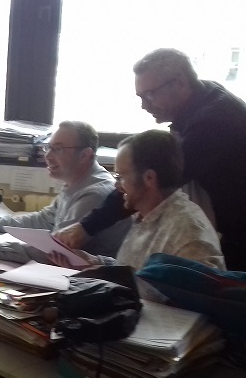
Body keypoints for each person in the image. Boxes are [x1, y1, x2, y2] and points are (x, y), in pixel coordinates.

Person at [55, 48, 246, 270]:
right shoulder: (201, 98)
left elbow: (149, 179)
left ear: (181, 82)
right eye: (141, 97)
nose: (144, 105)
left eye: (150, 95)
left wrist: (87, 227)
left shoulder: (215, 121)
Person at [0, 121, 130, 264]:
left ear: (85, 155)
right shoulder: (77, 182)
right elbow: (43, 220)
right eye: (48, 147)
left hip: (91, 282)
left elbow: (56, 251)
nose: (48, 156)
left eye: (58, 149)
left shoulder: (94, 193)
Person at [51, 130, 224, 271]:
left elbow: (195, 301)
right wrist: (92, 262)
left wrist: (102, 275)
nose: (116, 186)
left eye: (121, 177)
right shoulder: (145, 215)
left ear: (149, 178)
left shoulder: (189, 233)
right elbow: (133, 270)